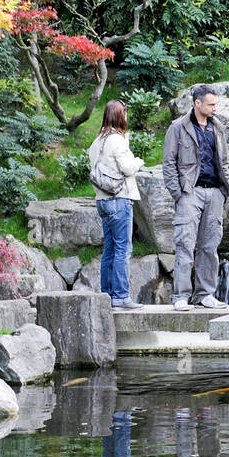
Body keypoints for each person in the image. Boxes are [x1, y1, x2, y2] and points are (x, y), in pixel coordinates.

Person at [163, 84, 229, 310]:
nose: (215, 108)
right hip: (189, 193)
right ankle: (181, 296)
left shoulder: (218, 127)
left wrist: (224, 192)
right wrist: (179, 194)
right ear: (197, 103)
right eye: (211, 104)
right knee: (184, 243)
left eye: (216, 104)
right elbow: (168, 164)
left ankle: (205, 294)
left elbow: (224, 162)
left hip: (214, 192)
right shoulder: (177, 127)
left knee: (210, 245)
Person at [88, 100, 146, 310]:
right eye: (125, 113)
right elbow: (128, 168)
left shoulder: (97, 141)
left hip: (102, 200)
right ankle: (121, 296)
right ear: (120, 116)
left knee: (109, 249)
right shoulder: (116, 140)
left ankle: (107, 295)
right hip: (119, 199)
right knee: (123, 248)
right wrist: (139, 161)